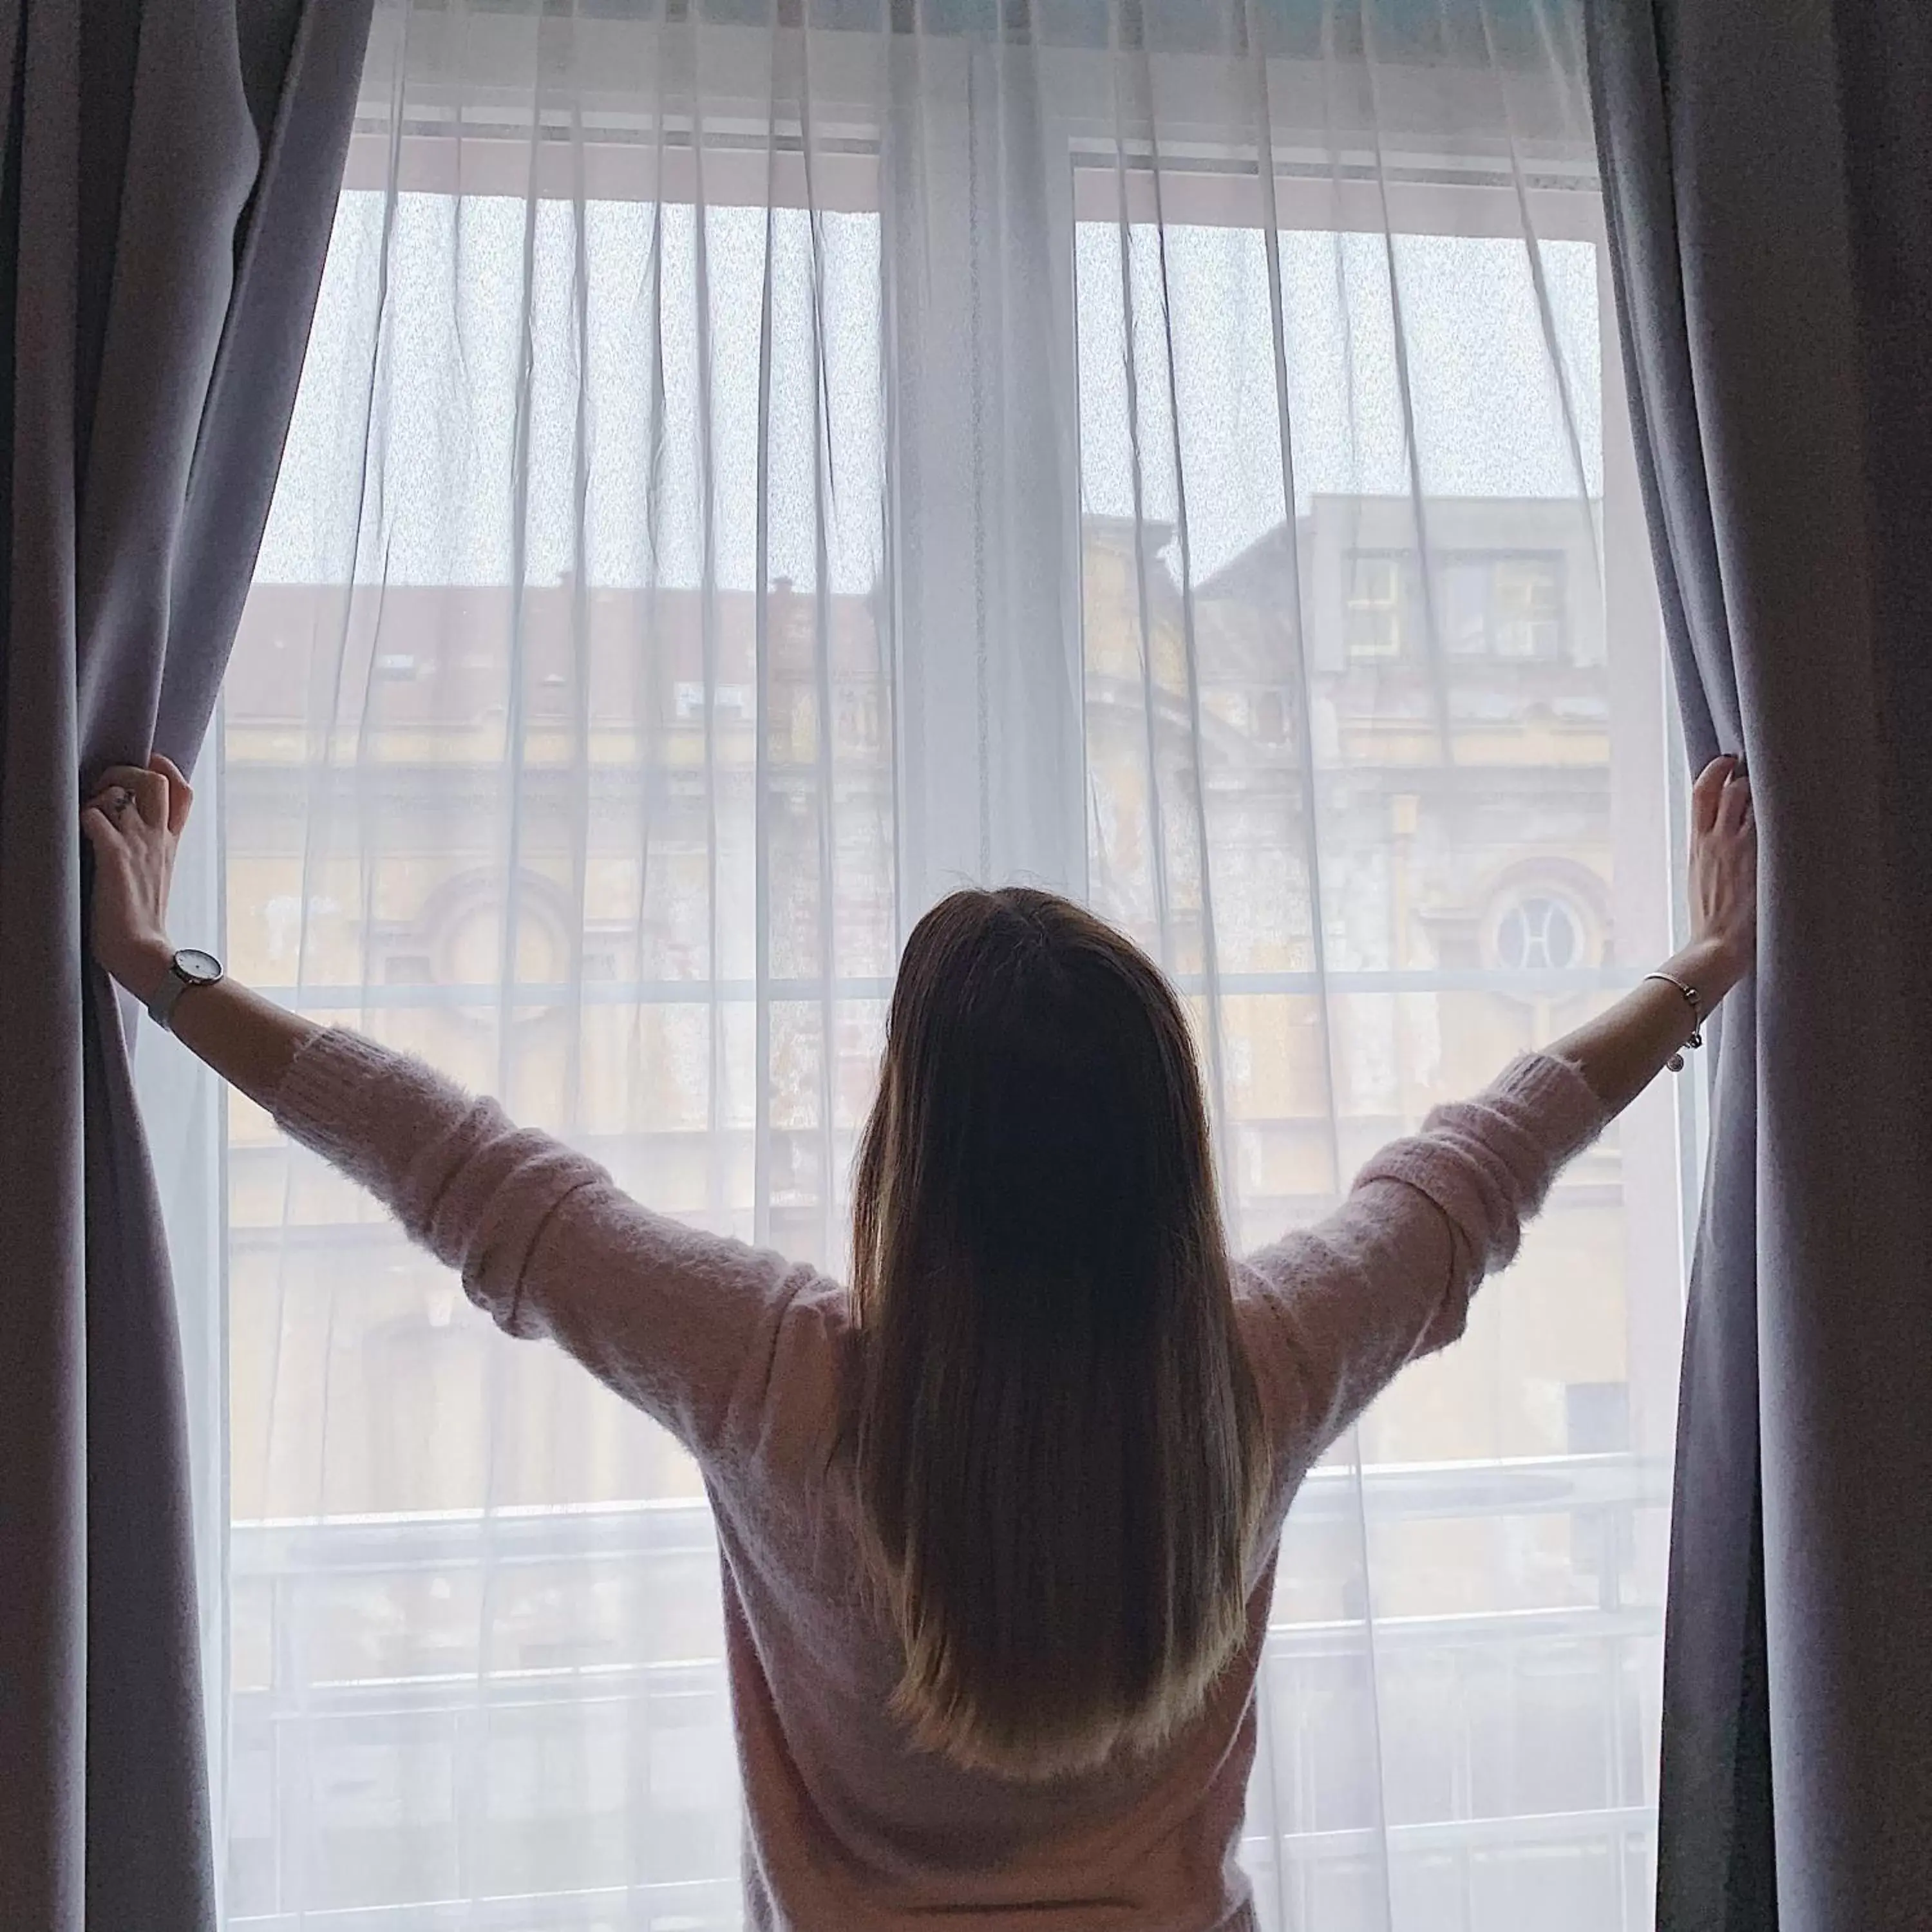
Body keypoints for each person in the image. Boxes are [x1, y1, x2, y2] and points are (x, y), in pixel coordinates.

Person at [82, 750, 1756, 1931]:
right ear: (1161, 1151)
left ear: (914, 1150)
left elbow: (468, 1170)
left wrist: (158, 971)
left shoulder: (779, 1378)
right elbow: (1487, 1156)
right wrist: (1711, 964)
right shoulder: (1252, 1375)